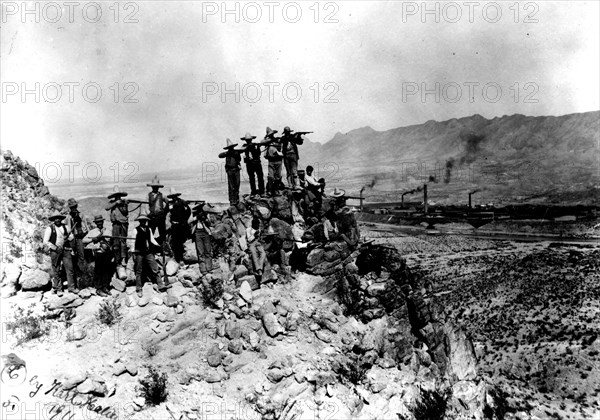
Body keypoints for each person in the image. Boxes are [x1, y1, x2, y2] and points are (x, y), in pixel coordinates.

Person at [133, 214, 168, 298]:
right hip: (139, 252)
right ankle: (139, 289)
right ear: (139, 222)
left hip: (148, 252)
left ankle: (160, 285)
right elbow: (132, 242)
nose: (143, 222)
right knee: (139, 271)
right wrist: (133, 252)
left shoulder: (148, 229)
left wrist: (159, 245)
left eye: (144, 221)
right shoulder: (135, 230)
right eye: (141, 221)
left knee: (155, 268)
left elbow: (152, 240)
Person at [43, 212, 76, 296]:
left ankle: (71, 288)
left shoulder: (66, 227)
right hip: (55, 251)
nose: (57, 219)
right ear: (53, 220)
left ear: (61, 219)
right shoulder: (50, 228)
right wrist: (55, 247)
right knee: (56, 270)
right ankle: (58, 289)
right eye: (55, 218)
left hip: (65, 250)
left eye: (58, 218)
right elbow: (45, 241)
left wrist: (68, 237)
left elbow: (71, 237)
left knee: (70, 269)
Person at [82, 215, 114, 297]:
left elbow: (111, 241)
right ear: (96, 223)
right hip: (98, 252)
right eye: (98, 222)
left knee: (106, 271)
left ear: (103, 222)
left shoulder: (107, 231)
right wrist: (93, 239)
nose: (100, 223)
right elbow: (84, 240)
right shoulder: (93, 232)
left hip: (107, 253)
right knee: (98, 271)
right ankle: (99, 289)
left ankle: (105, 287)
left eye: (101, 221)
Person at [64, 198, 88, 281]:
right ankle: (74, 276)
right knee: (72, 256)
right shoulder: (67, 217)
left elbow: (86, 228)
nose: (73, 208)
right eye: (72, 207)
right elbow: (66, 229)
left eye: (75, 206)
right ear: (70, 208)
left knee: (81, 256)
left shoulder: (81, 215)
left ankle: (82, 275)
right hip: (71, 239)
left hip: (79, 238)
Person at [167, 188, 191, 264]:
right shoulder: (170, 204)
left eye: (175, 196)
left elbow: (188, 211)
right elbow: (165, 212)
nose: (174, 197)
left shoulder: (182, 202)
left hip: (182, 225)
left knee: (180, 241)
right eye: (172, 196)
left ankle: (181, 258)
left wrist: (185, 220)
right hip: (174, 225)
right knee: (175, 242)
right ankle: (177, 258)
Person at [106, 187, 129, 267]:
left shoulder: (124, 202)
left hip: (123, 223)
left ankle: (123, 259)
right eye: (116, 195)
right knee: (115, 241)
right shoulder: (112, 202)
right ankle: (117, 258)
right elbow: (107, 208)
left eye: (118, 195)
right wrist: (116, 203)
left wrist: (123, 204)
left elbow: (126, 212)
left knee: (123, 241)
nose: (117, 197)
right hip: (115, 223)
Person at [190, 202, 213, 275]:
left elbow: (210, 223)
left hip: (205, 232)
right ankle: (203, 269)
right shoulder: (194, 215)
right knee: (200, 252)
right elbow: (189, 221)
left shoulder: (206, 214)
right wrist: (196, 218)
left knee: (208, 251)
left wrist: (205, 220)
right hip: (197, 233)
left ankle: (209, 268)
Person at [218, 138, 242, 206]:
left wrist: (235, 154)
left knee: (237, 185)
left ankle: (236, 200)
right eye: (230, 148)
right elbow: (220, 155)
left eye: (231, 147)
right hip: (230, 170)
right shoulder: (227, 153)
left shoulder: (236, 153)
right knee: (231, 186)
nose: (231, 148)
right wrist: (228, 153)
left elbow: (239, 159)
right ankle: (232, 201)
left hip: (236, 170)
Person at [262, 127, 284, 197]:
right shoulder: (267, 141)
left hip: (278, 160)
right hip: (271, 160)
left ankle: (276, 190)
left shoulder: (277, 140)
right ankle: (270, 191)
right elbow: (262, 142)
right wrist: (267, 138)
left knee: (278, 176)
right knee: (271, 176)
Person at [147, 175, 167, 244]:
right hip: (152, 217)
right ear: (152, 187)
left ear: (158, 187)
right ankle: (150, 249)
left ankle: (163, 249)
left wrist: (164, 212)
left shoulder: (162, 195)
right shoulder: (148, 195)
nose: (155, 188)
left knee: (162, 234)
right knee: (150, 233)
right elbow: (146, 205)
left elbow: (168, 203)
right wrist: (149, 214)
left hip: (160, 216)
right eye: (154, 186)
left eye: (156, 187)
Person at [246, 216, 266, 281]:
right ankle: (258, 269)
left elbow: (260, 238)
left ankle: (260, 267)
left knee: (263, 253)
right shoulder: (248, 230)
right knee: (254, 253)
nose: (258, 225)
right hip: (251, 243)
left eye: (258, 224)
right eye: (256, 224)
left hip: (257, 243)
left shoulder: (258, 229)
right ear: (253, 224)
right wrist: (254, 235)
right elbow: (249, 239)